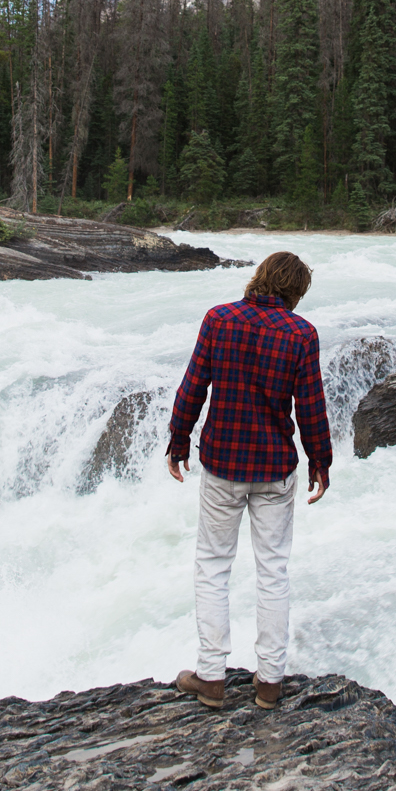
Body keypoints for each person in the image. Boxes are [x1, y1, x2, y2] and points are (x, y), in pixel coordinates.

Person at [165, 250, 331, 711]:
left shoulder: (219, 320)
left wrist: (178, 441)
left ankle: (211, 676)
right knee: (273, 570)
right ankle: (270, 683)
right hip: (275, 466)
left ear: (259, 278)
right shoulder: (302, 334)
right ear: (295, 291)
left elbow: (193, 386)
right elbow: (311, 405)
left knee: (214, 566)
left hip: (223, 463)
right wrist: (321, 461)